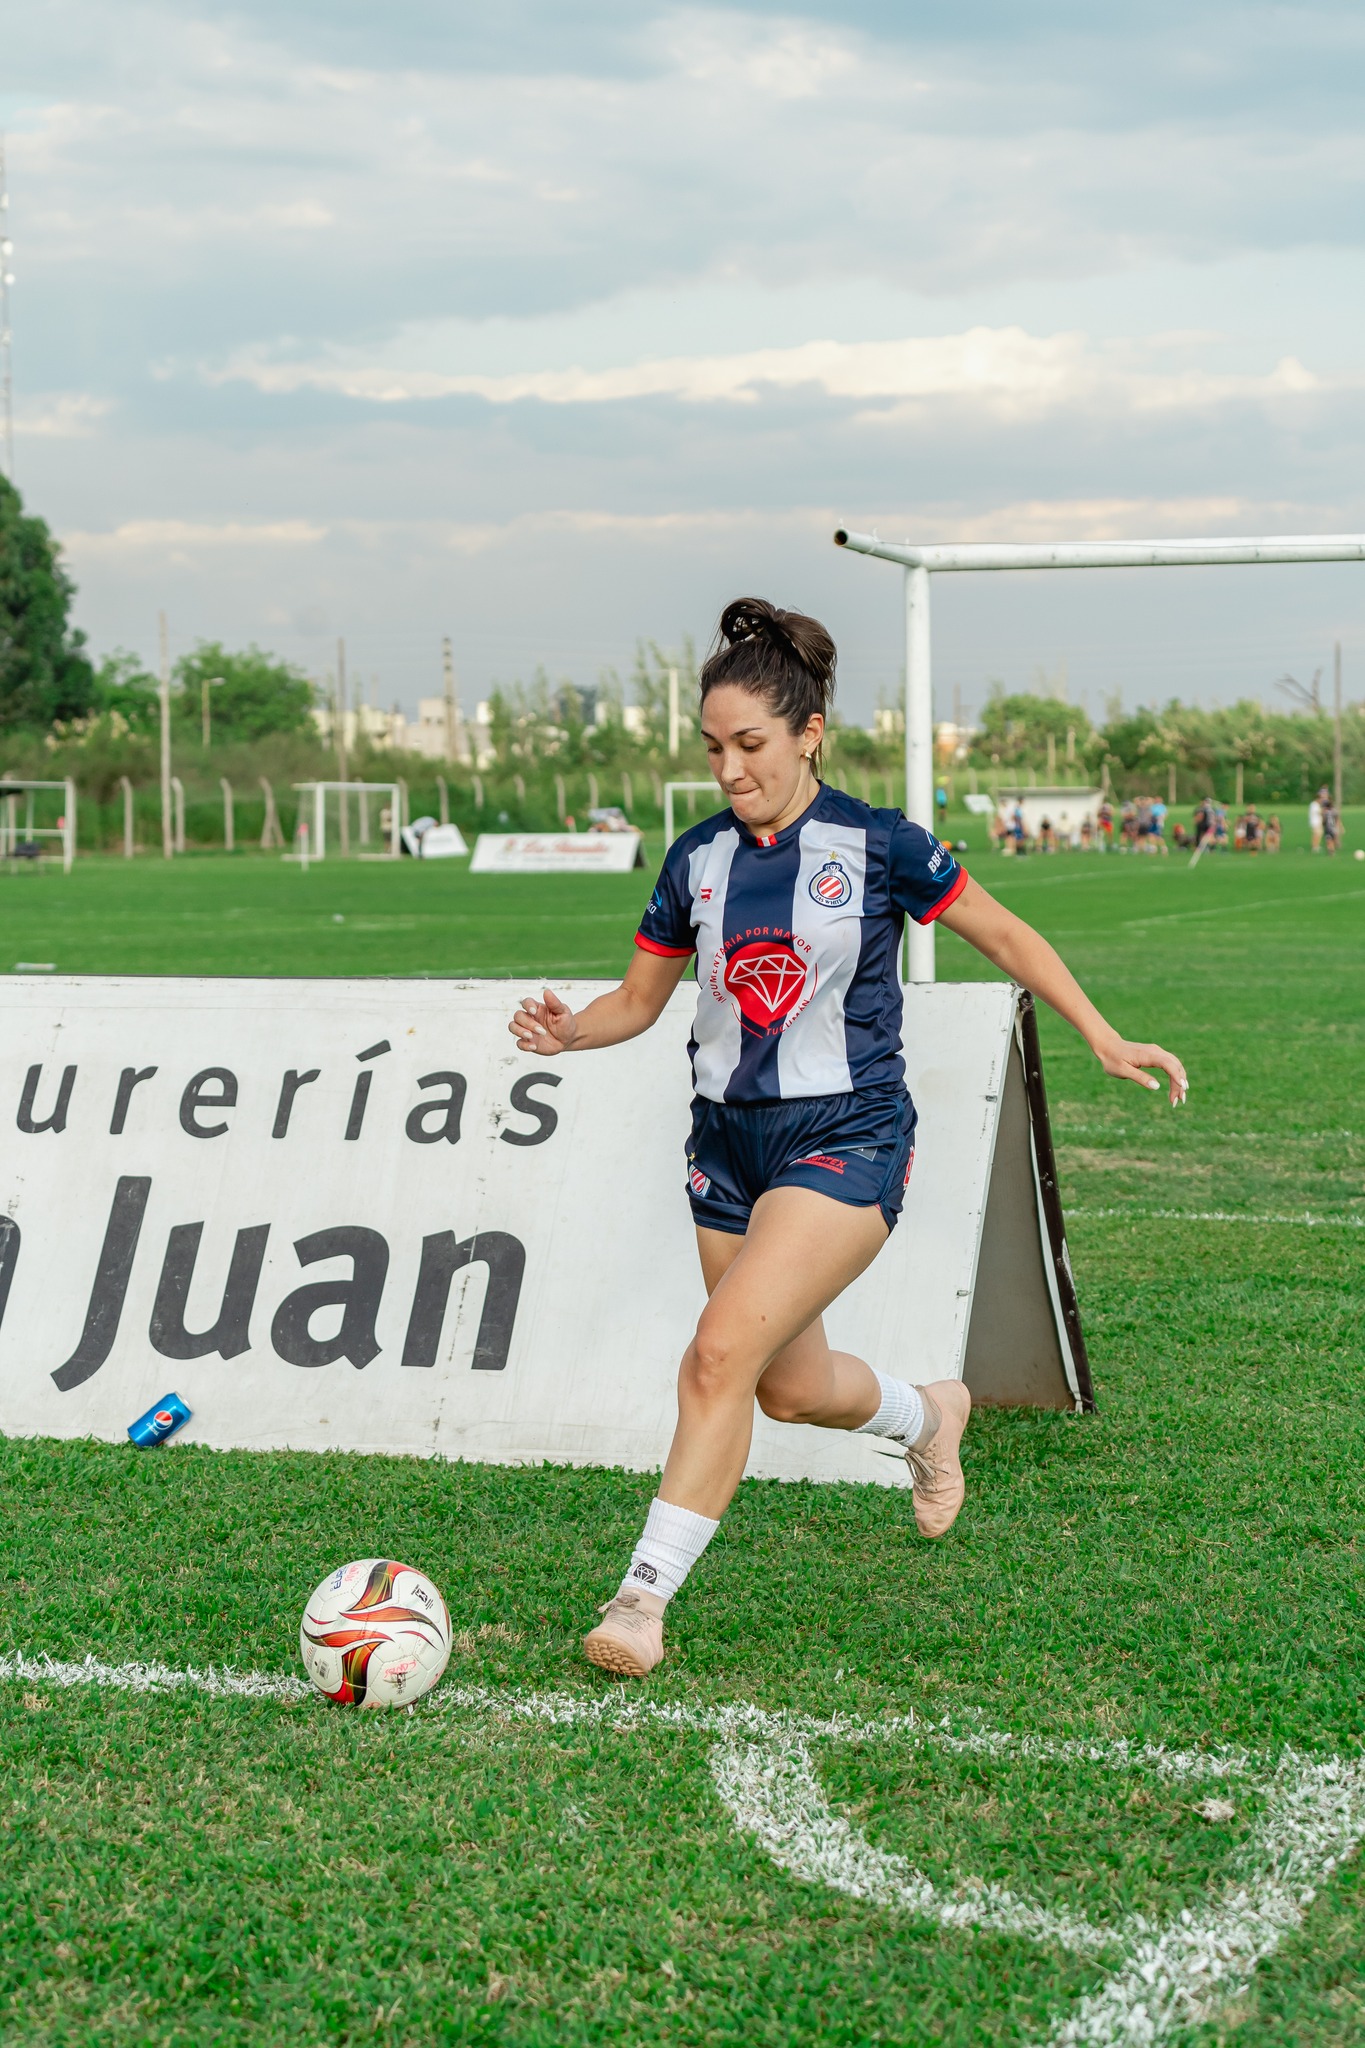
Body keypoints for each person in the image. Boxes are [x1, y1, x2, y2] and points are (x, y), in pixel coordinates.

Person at [508, 599, 1188, 1680]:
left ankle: (641, 1599)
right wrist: (569, 1031)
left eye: (750, 744)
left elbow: (1003, 932)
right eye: (713, 747)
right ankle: (930, 1415)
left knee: (716, 1352)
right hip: (724, 1145)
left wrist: (1102, 1035)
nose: (729, 768)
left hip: (848, 1134)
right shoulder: (694, 859)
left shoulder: (879, 844)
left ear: (809, 732)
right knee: (785, 1385)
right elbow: (637, 1000)